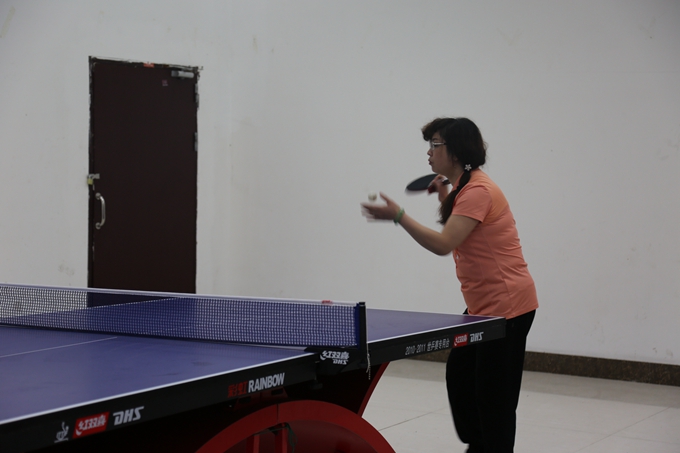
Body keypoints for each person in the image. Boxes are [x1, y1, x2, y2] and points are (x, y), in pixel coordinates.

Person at [361, 117, 538, 453]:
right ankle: (478, 445)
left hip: (508, 307)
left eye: (435, 145)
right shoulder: (464, 187)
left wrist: (399, 216)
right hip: (483, 306)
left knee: (494, 398)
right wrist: (444, 193)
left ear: (455, 152)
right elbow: (457, 222)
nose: (429, 152)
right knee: (460, 377)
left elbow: (445, 243)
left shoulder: (478, 191)